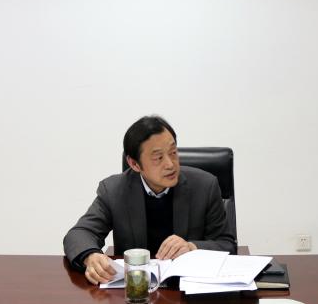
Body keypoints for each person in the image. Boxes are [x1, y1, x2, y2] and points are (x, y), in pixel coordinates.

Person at [63, 115, 237, 284]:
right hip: (136, 288)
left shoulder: (205, 186)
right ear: (134, 164)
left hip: (187, 288)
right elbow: (79, 234)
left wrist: (192, 247)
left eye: (173, 152)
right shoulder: (114, 190)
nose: (170, 164)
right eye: (158, 158)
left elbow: (226, 244)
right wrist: (90, 256)